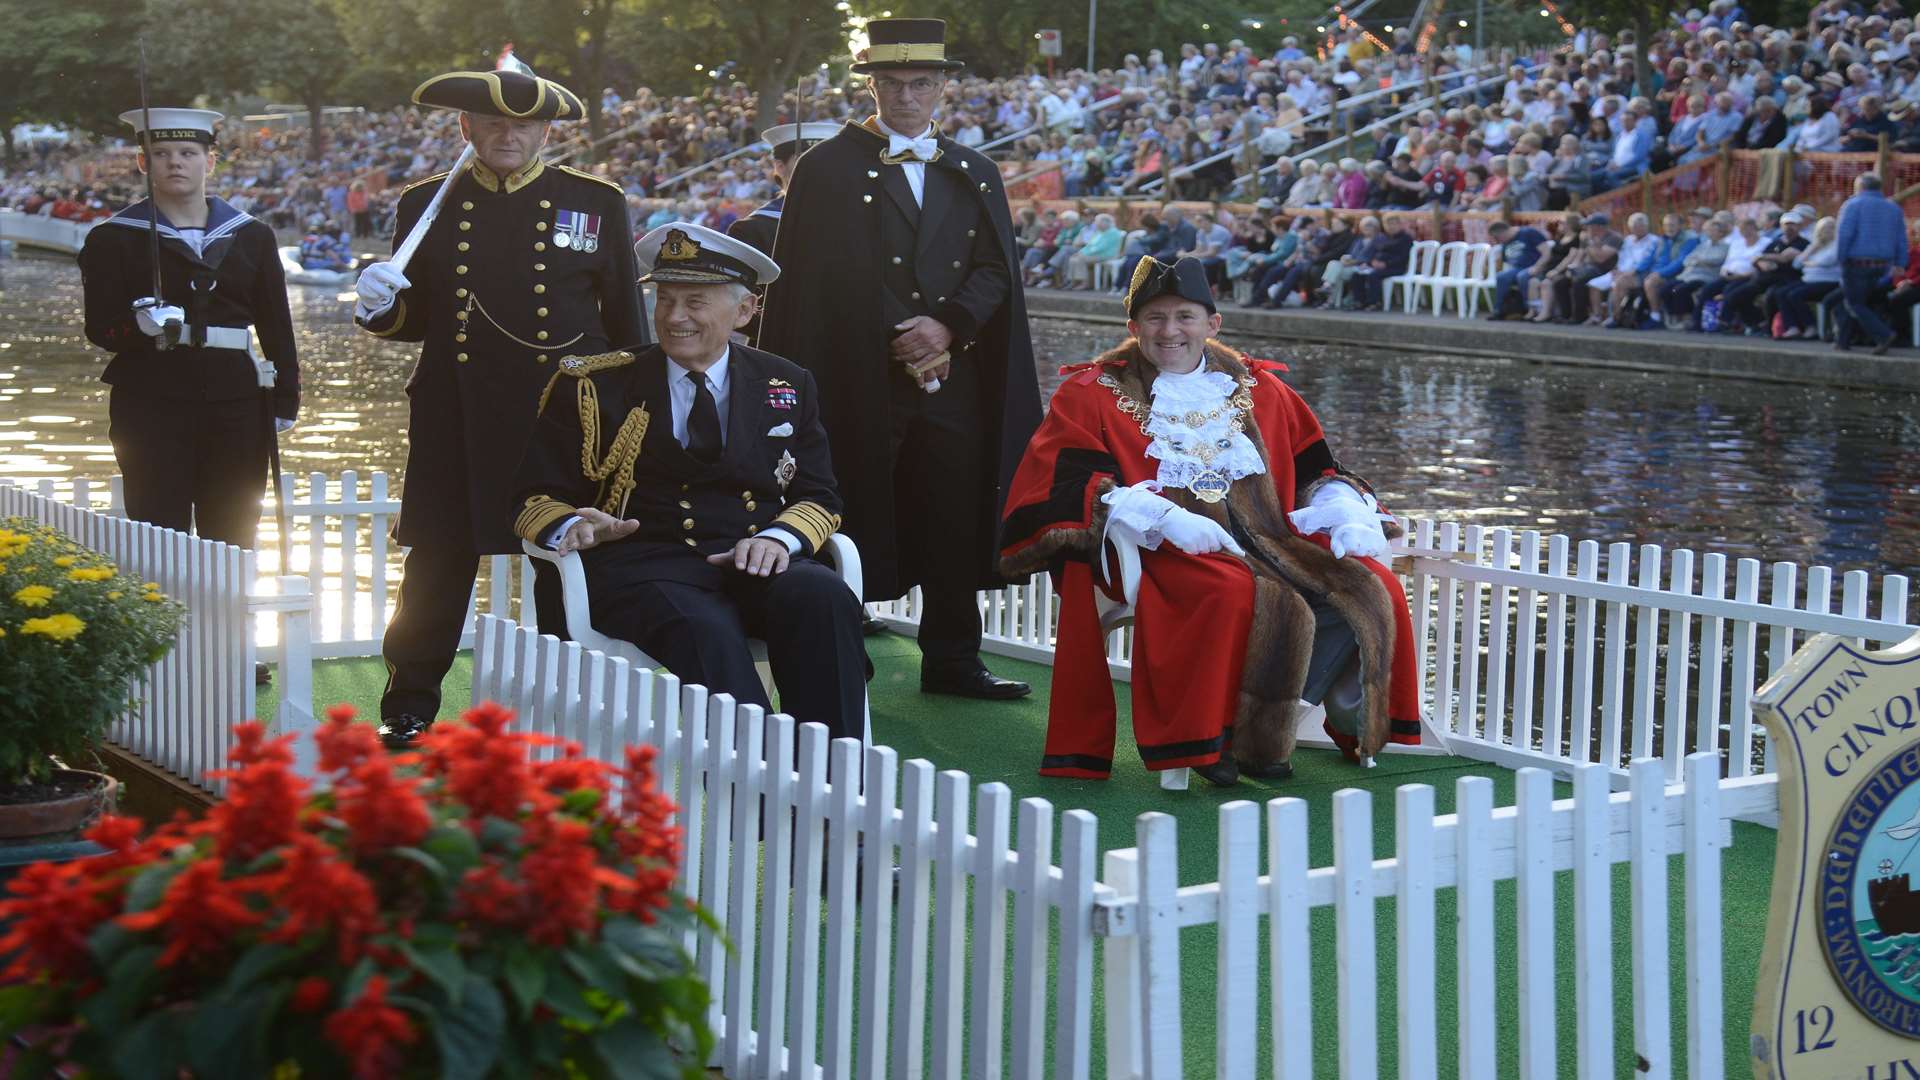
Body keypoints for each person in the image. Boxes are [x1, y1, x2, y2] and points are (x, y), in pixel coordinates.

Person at [997, 258, 1422, 783]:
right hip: (1160, 545)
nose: (1170, 331)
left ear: (1212, 324)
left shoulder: (1261, 388)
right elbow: (1061, 482)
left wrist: (1343, 509)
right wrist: (1159, 515)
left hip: (1269, 539)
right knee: (1230, 593)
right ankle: (1209, 741)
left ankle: (1270, 722)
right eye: (1154, 318)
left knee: (1369, 585)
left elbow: (1318, 466)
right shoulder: (1091, 393)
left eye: (1184, 317)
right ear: (1133, 328)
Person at [352, 68, 649, 746]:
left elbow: (627, 325)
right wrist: (378, 305)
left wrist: (639, 413)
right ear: (466, 128)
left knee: (565, 556)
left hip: (566, 414)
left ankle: (569, 696)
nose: (507, 135)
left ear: (546, 132)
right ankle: (410, 702)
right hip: (458, 408)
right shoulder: (428, 202)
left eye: (523, 125)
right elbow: (413, 318)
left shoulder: (594, 201)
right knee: (436, 561)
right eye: (492, 123)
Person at [759, 18, 1044, 700]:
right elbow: (818, 273)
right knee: (841, 499)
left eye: (921, 83)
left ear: (943, 87)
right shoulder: (824, 167)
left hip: (954, 375)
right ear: (872, 85)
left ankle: (952, 658)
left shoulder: (974, 170)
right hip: (854, 375)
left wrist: (946, 326)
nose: (907, 96)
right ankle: (833, 649)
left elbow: (994, 267)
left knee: (955, 507)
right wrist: (905, 332)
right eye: (892, 82)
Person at [510, 223, 866, 739]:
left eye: (695, 302)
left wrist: (777, 539)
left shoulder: (785, 382)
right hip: (644, 567)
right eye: (666, 299)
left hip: (750, 559)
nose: (675, 318)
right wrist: (573, 526)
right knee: (706, 629)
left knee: (823, 597)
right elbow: (530, 495)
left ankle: (836, 782)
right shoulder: (593, 384)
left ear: (743, 312)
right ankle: (757, 793)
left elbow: (819, 494)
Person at [78, 107, 299, 550]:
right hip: (150, 399)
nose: (174, 162)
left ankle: (230, 621)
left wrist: (286, 397)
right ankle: (168, 621)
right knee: (159, 532)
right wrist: (138, 326)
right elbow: (101, 330)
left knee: (234, 533)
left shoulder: (251, 235)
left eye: (187, 152)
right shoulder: (112, 237)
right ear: (144, 163)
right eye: (160, 153)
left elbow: (277, 325)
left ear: (210, 161)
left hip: (236, 398)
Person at [1833, 172, 1908, 353]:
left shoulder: (1852, 205)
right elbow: (1901, 239)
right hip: (1884, 266)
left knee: (1855, 303)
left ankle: (1884, 335)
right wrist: (1900, 263)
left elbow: (1844, 235)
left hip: (1857, 264)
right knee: (1853, 302)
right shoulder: (1893, 208)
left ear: (1860, 187)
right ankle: (1843, 342)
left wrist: (1840, 260)